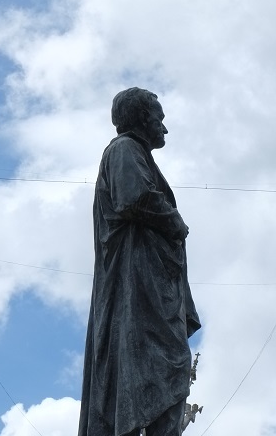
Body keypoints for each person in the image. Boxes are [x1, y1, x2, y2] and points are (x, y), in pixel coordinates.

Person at [78, 88, 201, 436]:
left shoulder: (137, 155)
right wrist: (173, 219)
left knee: (165, 376)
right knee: (155, 372)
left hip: (152, 292)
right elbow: (133, 197)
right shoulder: (124, 150)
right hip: (137, 294)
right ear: (143, 119)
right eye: (160, 119)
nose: (165, 127)